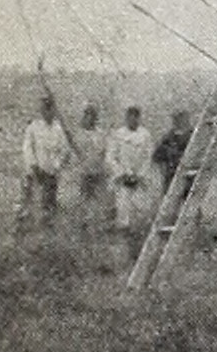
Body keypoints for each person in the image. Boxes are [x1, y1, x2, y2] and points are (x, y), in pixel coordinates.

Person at [105, 106, 156, 261]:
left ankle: (140, 253)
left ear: (139, 118)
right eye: (130, 117)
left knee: (140, 216)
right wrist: (122, 172)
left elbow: (148, 157)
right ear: (126, 118)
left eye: (136, 117)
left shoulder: (145, 135)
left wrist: (139, 175)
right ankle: (123, 253)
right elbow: (110, 157)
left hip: (139, 182)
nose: (133, 120)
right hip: (123, 181)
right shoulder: (117, 134)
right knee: (123, 216)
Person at [19, 94, 72, 228]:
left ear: (53, 110)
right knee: (31, 203)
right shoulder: (33, 127)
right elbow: (27, 148)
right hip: (35, 173)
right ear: (41, 110)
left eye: (50, 108)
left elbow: (65, 150)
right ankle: (27, 226)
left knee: (49, 205)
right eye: (44, 109)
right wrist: (34, 166)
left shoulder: (58, 129)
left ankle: (47, 227)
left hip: (51, 173)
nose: (47, 112)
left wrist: (56, 166)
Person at [70, 104, 110, 232]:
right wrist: (81, 166)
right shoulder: (79, 134)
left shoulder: (100, 134)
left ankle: (100, 223)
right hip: (85, 171)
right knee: (84, 197)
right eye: (88, 116)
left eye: (93, 116)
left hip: (98, 170)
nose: (90, 119)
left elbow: (103, 151)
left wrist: (102, 166)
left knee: (100, 198)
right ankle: (83, 222)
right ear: (85, 117)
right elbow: (76, 154)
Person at [152, 109, 194, 193]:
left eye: (181, 118)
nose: (178, 121)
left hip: (190, 178)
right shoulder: (168, 138)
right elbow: (157, 157)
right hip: (172, 177)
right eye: (176, 119)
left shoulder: (193, 136)